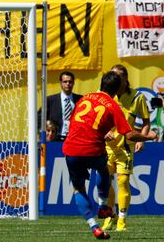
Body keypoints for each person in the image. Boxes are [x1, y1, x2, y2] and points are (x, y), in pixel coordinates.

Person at [62, 71, 156, 240]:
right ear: (116, 89)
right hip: (93, 149)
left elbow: (79, 121)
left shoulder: (84, 98)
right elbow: (129, 135)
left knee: (79, 189)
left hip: (71, 149)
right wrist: (149, 137)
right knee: (104, 171)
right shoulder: (112, 105)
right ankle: (103, 205)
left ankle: (94, 226)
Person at [102, 64, 150, 232]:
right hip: (106, 148)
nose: (114, 80)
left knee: (122, 181)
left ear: (125, 79)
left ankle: (122, 221)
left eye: (118, 77)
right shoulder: (106, 97)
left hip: (125, 147)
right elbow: (98, 120)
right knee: (105, 183)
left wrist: (142, 140)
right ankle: (110, 216)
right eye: (112, 76)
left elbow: (146, 122)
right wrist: (104, 132)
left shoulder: (137, 97)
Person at [45, 71, 82, 140]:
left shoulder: (81, 100)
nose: (68, 84)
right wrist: (46, 133)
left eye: (70, 82)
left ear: (73, 83)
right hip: (56, 139)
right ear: (61, 83)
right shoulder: (50, 100)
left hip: (75, 139)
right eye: (65, 82)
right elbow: (39, 118)